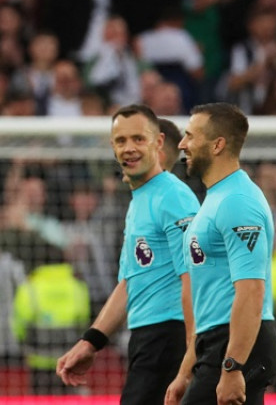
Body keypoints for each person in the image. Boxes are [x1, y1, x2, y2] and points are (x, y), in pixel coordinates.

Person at [56, 104, 199, 405]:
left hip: (171, 337)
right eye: (121, 141)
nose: (129, 148)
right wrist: (91, 341)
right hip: (146, 338)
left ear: (158, 143)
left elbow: (195, 277)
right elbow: (129, 283)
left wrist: (192, 350)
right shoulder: (139, 201)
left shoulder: (173, 196)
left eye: (138, 139)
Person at [172, 103, 276, 405]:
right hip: (217, 343)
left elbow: (252, 290)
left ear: (217, 145)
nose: (182, 145)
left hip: (236, 346)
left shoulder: (237, 201)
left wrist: (233, 367)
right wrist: (186, 370)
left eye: (190, 136)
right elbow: (209, 300)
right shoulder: (216, 198)